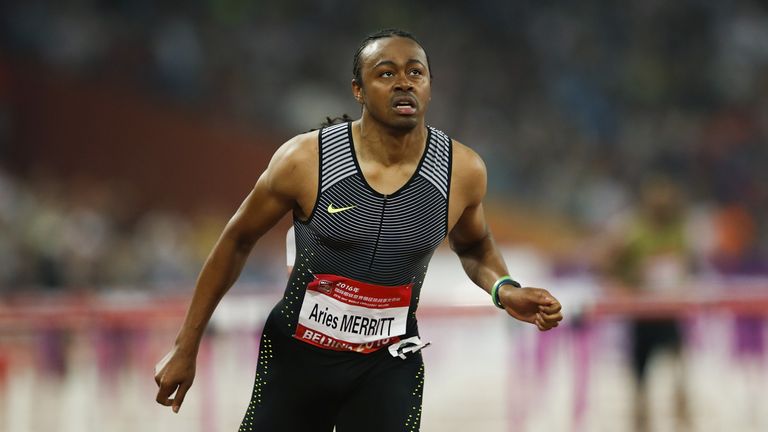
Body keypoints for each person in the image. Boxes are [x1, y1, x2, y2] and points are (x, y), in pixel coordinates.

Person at [154, 28, 563, 431]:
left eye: (415, 72)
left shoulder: (462, 171)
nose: (403, 82)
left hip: (389, 363)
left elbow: (474, 246)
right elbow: (237, 240)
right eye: (386, 73)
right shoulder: (305, 160)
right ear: (358, 90)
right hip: (297, 359)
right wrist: (185, 346)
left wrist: (505, 289)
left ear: (429, 86)